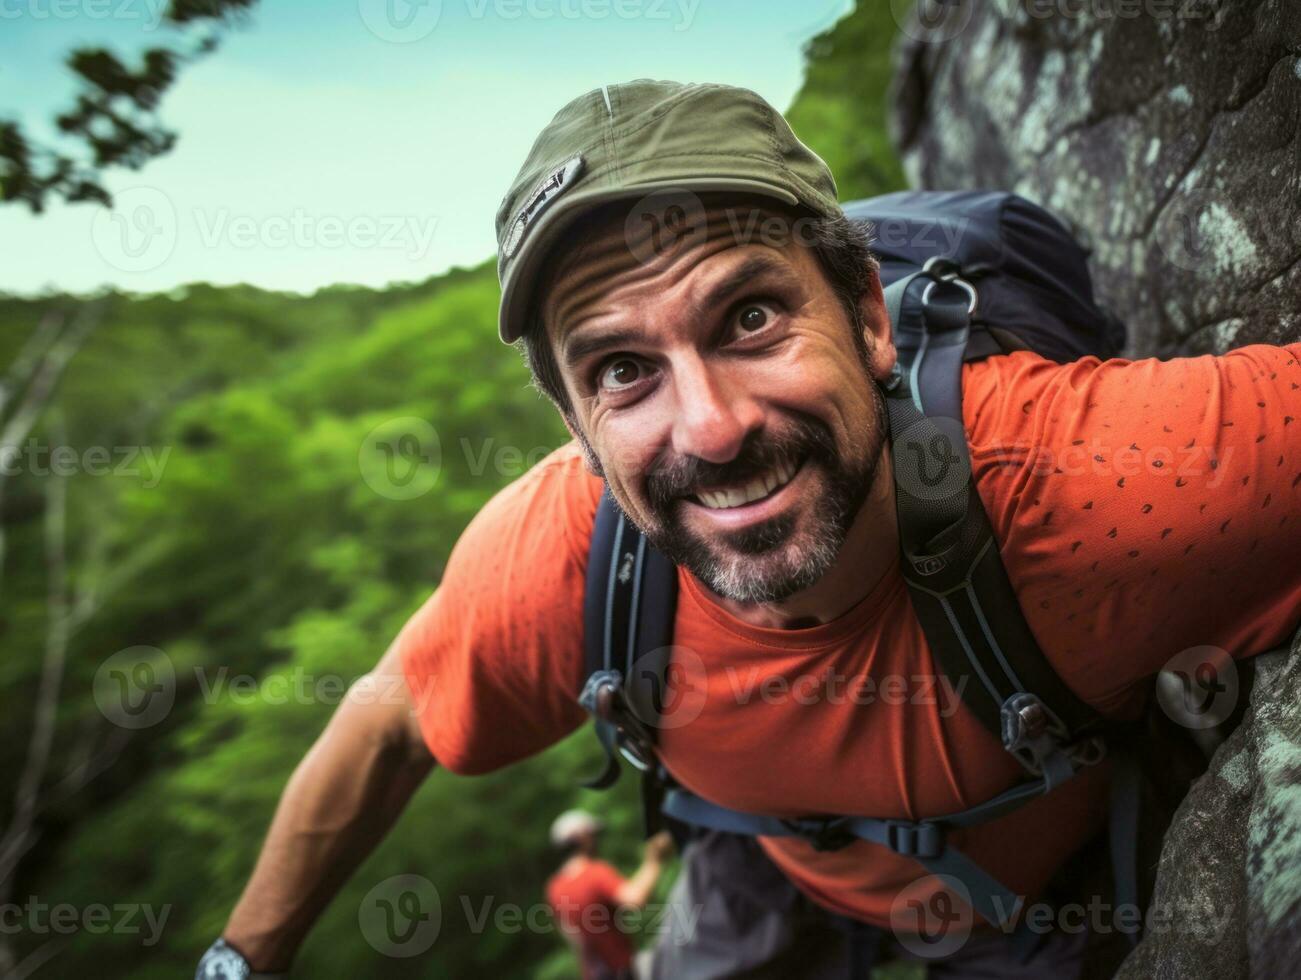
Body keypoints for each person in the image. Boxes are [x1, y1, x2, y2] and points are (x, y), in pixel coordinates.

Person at [196, 80, 1301, 979]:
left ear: (867, 316)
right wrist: (239, 964)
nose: (712, 429)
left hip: (1021, 894)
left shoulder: (1076, 486)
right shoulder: (558, 561)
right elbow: (387, 723)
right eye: (622, 371)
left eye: (751, 316)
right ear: (578, 431)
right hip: (760, 844)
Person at [545, 811, 672, 980]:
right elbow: (634, 900)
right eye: (592, 834)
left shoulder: (554, 888)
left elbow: (571, 936)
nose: (596, 840)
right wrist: (654, 861)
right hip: (620, 971)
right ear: (581, 838)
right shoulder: (595, 873)